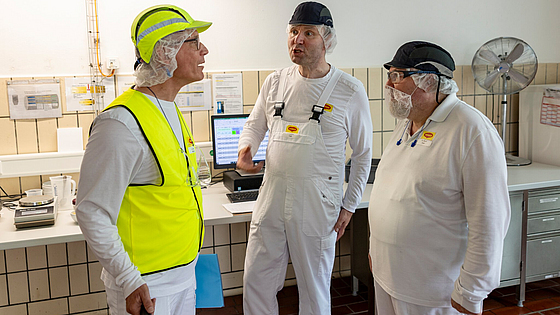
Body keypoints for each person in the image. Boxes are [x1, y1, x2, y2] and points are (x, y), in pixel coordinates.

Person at [237, 2, 373, 314]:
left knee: (313, 289)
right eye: (294, 32)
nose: (297, 40)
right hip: (271, 195)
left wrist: (349, 205)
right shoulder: (275, 81)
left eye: (308, 33)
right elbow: (255, 125)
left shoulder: (349, 90)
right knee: (256, 280)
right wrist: (246, 148)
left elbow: (363, 153)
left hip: (316, 202)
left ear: (327, 41)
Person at [75, 5, 211, 315]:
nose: (204, 49)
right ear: (166, 52)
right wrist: (127, 277)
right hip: (145, 285)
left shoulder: (168, 109)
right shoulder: (121, 124)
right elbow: (91, 210)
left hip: (180, 273)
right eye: (194, 41)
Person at [368, 41, 511, 315]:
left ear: (429, 82)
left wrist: (471, 290)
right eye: (390, 75)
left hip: (434, 293)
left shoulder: (471, 130)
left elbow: (490, 221)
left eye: (398, 76)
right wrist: (377, 252)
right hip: (388, 279)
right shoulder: (406, 124)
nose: (389, 85)